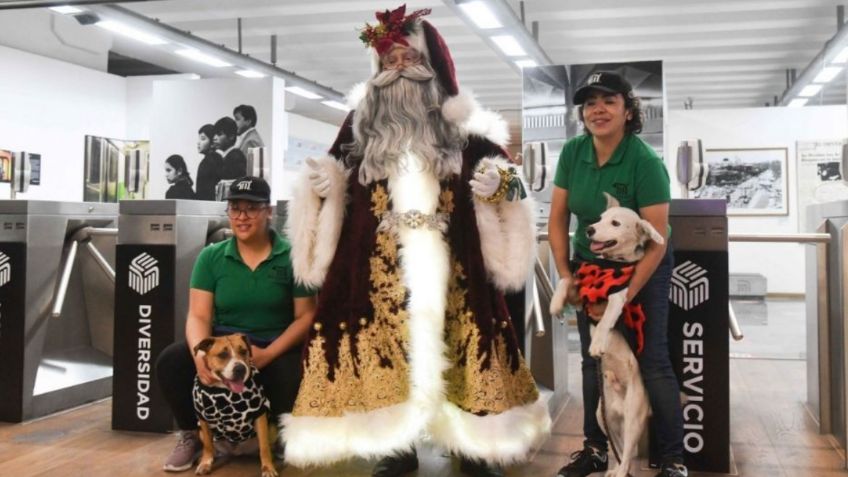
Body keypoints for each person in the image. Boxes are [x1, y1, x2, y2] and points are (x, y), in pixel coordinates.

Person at [282, 6, 549, 477]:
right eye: (389, 63)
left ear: (435, 65)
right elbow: (324, 181)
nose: (398, 70)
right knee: (389, 359)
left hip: (457, 271)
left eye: (408, 58)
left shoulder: (469, 130)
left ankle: (472, 447)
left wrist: (499, 187)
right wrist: (324, 188)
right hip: (377, 273)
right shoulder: (358, 129)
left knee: (464, 353)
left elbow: (519, 188)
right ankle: (395, 447)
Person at [548, 71, 687, 477]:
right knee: (595, 360)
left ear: (628, 110)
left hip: (644, 264)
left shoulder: (644, 162)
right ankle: (594, 449)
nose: (598, 109)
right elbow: (558, 220)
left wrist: (623, 297)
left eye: (609, 101)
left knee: (652, 359)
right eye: (590, 103)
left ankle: (673, 459)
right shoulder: (574, 153)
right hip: (591, 265)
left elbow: (657, 240)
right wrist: (565, 275)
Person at [155, 176, 317, 472]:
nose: (242, 216)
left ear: (269, 212)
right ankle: (192, 435)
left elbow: (306, 316)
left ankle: (279, 436)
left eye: (252, 208)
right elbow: (199, 315)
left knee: (292, 370)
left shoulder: (293, 256)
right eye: (235, 208)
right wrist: (199, 355)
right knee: (171, 361)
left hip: (274, 344)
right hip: (223, 344)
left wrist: (268, 354)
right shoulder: (211, 257)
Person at [195, 124, 223, 201]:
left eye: (203, 139)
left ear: (212, 142)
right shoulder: (218, 158)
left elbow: (203, 194)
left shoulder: (207, 162)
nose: (198, 142)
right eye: (199, 139)